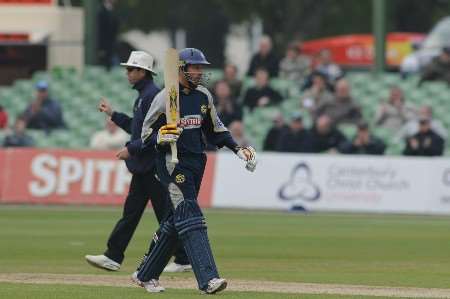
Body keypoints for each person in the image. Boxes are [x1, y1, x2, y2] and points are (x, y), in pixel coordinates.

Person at [132, 48, 257, 294]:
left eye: (201, 68)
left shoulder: (203, 96)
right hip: (171, 163)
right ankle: (208, 279)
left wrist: (237, 149)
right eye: (195, 67)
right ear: (180, 68)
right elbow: (144, 135)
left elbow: (216, 129)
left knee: (176, 221)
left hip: (196, 162)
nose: (199, 72)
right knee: (190, 215)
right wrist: (161, 136)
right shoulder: (164, 97)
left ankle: (145, 274)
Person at [85, 51, 191, 273]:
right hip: (144, 168)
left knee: (165, 216)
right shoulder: (144, 95)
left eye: (131, 70)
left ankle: (183, 257)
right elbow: (137, 126)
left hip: (153, 166)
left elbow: (153, 133)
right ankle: (113, 256)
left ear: (143, 72)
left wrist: (130, 149)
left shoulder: (151, 95)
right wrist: (113, 114)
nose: (128, 73)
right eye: (127, 69)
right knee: (133, 213)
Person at [97, 0, 120, 70]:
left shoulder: (113, 10)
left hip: (112, 48)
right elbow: (100, 32)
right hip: (105, 49)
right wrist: (101, 48)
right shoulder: (101, 11)